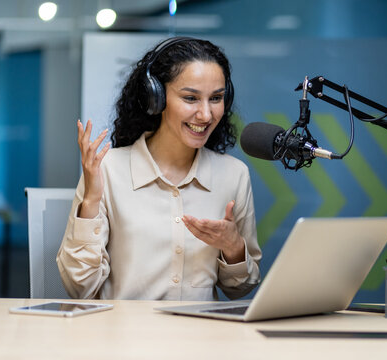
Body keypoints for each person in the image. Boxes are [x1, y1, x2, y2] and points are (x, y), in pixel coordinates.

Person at [57, 37, 261, 301]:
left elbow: (240, 289)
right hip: (123, 337)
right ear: (157, 98)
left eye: (216, 98)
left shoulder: (234, 174)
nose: (206, 115)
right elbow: (79, 288)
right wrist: (91, 201)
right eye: (190, 98)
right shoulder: (107, 169)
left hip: (201, 338)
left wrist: (234, 247)